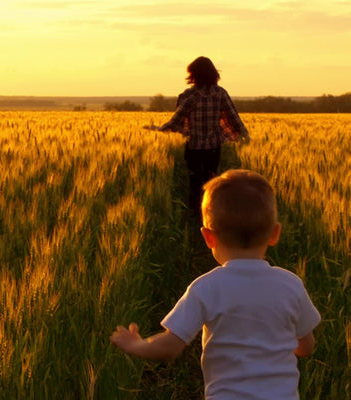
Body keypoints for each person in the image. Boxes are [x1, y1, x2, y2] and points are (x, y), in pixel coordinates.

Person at [110, 169, 321, 400]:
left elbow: (171, 346)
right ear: (275, 233)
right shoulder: (291, 284)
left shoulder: (205, 288)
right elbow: (306, 346)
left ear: (208, 237)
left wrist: (136, 346)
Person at [146, 56, 249, 215]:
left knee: (194, 181)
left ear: (194, 75)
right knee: (212, 180)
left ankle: (195, 213)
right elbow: (234, 117)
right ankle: (211, 211)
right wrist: (245, 135)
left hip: (194, 147)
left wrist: (157, 129)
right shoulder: (220, 93)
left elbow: (176, 121)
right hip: (214, 147)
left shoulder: (190, 96)